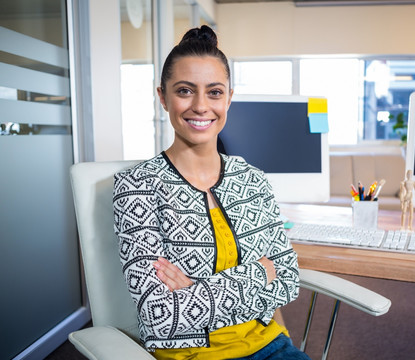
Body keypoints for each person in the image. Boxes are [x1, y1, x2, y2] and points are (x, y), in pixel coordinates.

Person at [113, 26, 309, 360]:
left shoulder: (252, 179)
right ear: (162, 96)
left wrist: (194, 292)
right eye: (185, 91)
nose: (201, 106)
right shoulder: (137, 186)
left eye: (214, 92)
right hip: (189, 356)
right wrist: (260, 272)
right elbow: (159, 316)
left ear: (229, 98)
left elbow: (289, 279)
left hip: (270, 346)